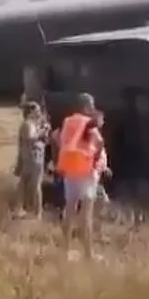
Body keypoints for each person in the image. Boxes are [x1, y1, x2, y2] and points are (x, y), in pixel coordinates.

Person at [58, 93, 105, 261]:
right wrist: (97, 160)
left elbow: (60, 140)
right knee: (86, 214)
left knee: (69, 210)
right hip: (86, 171)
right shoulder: (88, 123)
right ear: (86, 106)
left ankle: (65, 251)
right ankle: (89, 254)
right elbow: (99, 143)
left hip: (70, 171)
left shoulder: (67, 121)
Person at [15, 101, 48, 219]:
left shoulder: (30, 124)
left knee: (23, 184)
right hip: (34, 159)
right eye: (37, 110)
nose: (39, 113)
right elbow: (31, 137)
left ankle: (20, 208)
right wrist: (42, 132)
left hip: (30, 158)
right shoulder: (28, 124)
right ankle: (37, 212)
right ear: (31, 112)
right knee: (35, 185)